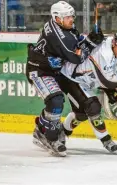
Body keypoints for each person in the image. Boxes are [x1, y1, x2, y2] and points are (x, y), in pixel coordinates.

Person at [26, 1, 104, 157]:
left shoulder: (63, 26)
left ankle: (41, 129)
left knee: (75, 98)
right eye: (67, 17)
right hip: (40, 71)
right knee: (55, 100)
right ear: (57, 18)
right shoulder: (58, 35)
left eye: (71, 16)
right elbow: (77, 57)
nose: (71, 19)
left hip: (55, 70)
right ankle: (51, 137)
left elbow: (76, 42)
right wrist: (90, 42)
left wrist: (87, 40)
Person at [57, 29, 117, 154]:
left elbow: (101, 74)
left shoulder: (114, 51)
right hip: (70, 78)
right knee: (92, 106)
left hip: (83, 80)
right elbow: (107, 80)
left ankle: (60, 134)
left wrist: (109, 91)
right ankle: (105, 139)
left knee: (81, 114)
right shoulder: (104, 53)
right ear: (115, 42)